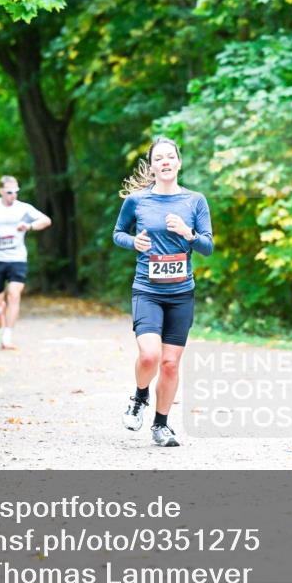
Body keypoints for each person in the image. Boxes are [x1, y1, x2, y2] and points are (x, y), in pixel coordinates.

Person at [112, 137, 214, 447]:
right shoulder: (137, 201)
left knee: (170, 364)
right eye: (159, 158)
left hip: (181, 293)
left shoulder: (195, 201)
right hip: (147, 290)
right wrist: (134, 242)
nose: (165, 162)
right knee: (150, 355)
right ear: (153, 166)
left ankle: (161, 425)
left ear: (179, 163)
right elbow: (118, 233)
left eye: (171, 157)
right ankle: (139, 397)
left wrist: (188, 233)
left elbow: (207, 247)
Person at [0, 176, 51, 350]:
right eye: (9, 192)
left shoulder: (23, 208)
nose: (13, 195)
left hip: (17, 258)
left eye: (16, 192)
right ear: (1, 191)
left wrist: (29, 226)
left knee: (14, 294)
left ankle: (7, 337)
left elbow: (46, 220)